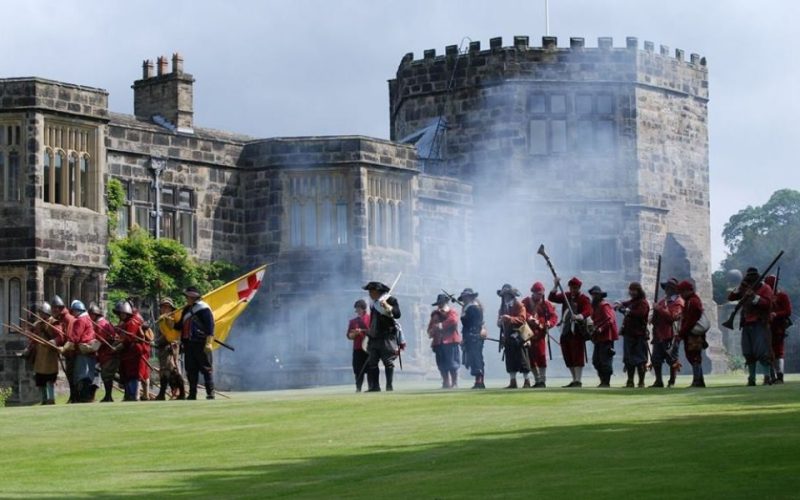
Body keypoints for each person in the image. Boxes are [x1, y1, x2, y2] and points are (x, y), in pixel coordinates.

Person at [728, 268, 774, 386]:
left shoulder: (766, 288)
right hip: (746, 323)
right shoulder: (745, 288)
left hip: (760, 323)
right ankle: (751, 378)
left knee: (762, 352)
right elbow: (731, 297)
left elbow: (767, 303)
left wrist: (754, 296)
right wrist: (740, 287)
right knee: (748, 353)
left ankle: (767, 377)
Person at [549, 277, 593, 388]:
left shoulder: (583, 299)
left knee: (577, 355)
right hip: (566, 329)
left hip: (577, 331)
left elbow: (588, 311)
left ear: (579, 288)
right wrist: (555, 285)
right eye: (572, 287)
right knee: (568, 355)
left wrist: (579, 316)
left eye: (575, 288)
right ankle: (574, 379)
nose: (573, 290)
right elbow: (552, 297)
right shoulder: (566, 296)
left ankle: (578, 380)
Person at [174, 286, 216, 400]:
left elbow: (210, 327)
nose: (187, 298)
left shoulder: (204, 308)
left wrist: (208, 343)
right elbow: (179, 326)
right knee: (191, 370)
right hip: (188, 344)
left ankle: (210, 392)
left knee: (206, 368)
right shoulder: (186, 310)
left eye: (189, 296)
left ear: (194, 297)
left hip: (201, 342)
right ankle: (192, 394)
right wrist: (169, 320)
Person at [363, 281, 402, 392]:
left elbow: (397, 314)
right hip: (374, 336)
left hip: (386, 336)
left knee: (388, 361)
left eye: (371, 291)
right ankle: (375, 386)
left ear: (377, 291)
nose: (370, 293)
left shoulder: (390, 300)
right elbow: (373, 320)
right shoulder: (374, 303)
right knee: (372, 362)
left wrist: (387, 306)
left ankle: (389, 386)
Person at [20, 302, 59, 405]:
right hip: (40, 355)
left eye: (42, 312)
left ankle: (51, 398)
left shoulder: (54, 322)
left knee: (50, 378)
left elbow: (57, 336)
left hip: (50, 354)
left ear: (46, 313)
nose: (40, 314)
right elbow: (33, 338)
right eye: (40, 313)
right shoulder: (37, 324)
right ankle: (44, 399)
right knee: (40, 379)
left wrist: (46, 328)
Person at [521, 282, 557, 388]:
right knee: (531, 358)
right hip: (528, 333)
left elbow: (553, 317)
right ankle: (537, 379)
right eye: (538, 293)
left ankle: (542, 380)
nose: (539, 295)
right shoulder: (526, 301)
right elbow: (522, 312)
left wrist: (548, 324)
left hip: (540, 333)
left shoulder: (546, 304)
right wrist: (529, 318)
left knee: (541, 357)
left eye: (541, 294)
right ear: (533, 292)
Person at [650, 278, 684, 388]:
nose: (667, 290)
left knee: (672, 359)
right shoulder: (662, 301)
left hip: (671, 334)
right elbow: (656, 318)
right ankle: (658, 381)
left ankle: (672, 381)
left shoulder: (678, 302)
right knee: (656, 359)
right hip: (659, 334)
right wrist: (653, 317)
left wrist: (659, 309)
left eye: (670, 288)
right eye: (667, 288)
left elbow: (672, 317)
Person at [616, 282, 650, 388]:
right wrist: (620, 305)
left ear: (638, 291)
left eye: (634, 290)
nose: (632, 292)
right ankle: (630, 381)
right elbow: (626, 304)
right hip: (629, 334)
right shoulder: (633, 302)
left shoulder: (643, 303)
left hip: (639, 335)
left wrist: (627, 311)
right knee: (628, 360)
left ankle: (641, 382)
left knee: (640, 360)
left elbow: (639, 314)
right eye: (631, 290)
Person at [64, 300, 100, 403]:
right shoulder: (87, 318)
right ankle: (86, 397)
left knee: (82, 375)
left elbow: (75, 337)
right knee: (87, 375)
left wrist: (65, 347)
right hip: (89, 351)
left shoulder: (80, 320)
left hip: (83, 351)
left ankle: (84, 398)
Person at [497, 284, 530, 389]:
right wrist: (499, 322)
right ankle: (513, 382)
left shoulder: (519, 305)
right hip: (508, 336)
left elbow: (522, 320)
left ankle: (527, 381)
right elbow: (499, 322)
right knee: (510, 360)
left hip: (519, 335)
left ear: (511, 295)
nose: (505, 296)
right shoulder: (502, 307)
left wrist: (509, 318)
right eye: (504, 295)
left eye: (507, 294)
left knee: (523, 360)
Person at [428, 294, 462, 389]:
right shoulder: (435, 314)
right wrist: (431, 331)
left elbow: (454, 321)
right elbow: (431, 327)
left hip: (450, 341)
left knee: (452, 364)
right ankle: (446, 382)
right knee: (441, 364)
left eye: (441, 303)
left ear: (446, 302)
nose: (440, 305)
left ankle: (454, 383)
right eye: (439, 303)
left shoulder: (452, 312)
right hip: (438, 342)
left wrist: (440, 325)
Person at [155, 298, 186, 400]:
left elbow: (171, 333)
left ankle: (164, 393)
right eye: (163, 307)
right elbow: (163, 334)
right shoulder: (162, 318)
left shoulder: (172, 317)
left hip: (171, 346)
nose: (164, 309)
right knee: (166, 370)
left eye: (166, 307)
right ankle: (173, 393)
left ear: (170, 308)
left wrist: (158, 341)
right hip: (163, 347)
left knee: (169, 370)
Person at [677, 280, 706, 387]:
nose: (681, 294)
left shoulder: (692, 302)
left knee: (694, 357)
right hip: (692, 333)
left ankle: (697, 381)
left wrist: (681, 334)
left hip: (693, 334)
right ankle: (699, 380)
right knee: (694, 357)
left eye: (682, 292)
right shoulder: (692, 301)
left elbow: (690, 321)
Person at [115, 300, 146, 401]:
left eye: (122, 313)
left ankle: (133, 395)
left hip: (134, 352)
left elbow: (129, 338)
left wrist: (118, 347)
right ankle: (128, 395)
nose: (120, 315)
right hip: (127, 352)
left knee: (133, 375)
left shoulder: (132, 322)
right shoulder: (125, 323)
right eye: (120, 313)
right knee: (126, 375)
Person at [89, 303, 120, 403]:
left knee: (107, 375)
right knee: (106, 375)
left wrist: (91, 348)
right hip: (105, 354)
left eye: (91, 314)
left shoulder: (101, 324)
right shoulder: (101, 323)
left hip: (107, 353)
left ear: (95, 314)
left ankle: (108, 396)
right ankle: (108, 396)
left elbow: (100, 341)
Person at [588, 286, 618, 387]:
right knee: (596, 361)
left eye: (596, 294)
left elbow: (610, 320)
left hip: (606, 337)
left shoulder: (604, 305)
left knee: (605, 361)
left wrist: (601, 328)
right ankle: (602, 381)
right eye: (593, 295)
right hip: (598, 338)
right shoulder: (595, 307)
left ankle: (606, 382)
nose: (594, 296)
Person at [765, 275, 792, 384]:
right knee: (766, 352)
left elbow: (788, 311)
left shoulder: (782, 296)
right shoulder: (766, 296)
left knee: (778, 351)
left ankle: (779, 375)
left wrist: (775, 314)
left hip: (778, 327)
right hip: (766, 327)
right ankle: (770, 376)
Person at [51, 295, 78, 403]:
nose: (53, 310)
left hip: (71, 351)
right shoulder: (61, 318)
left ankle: (75, 397)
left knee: (72, 375)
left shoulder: (68, 318)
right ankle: (73, 396)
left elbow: (69, 336)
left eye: (55, 308)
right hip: (68, 352)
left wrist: (61, 344)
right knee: (70, 375)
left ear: (59, 308)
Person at [458, 288, 486, 389]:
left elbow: (471, 324)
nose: (464, 299)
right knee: (474, 358)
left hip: (474, 336)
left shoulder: (472, 308)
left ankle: (479, 381)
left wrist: (464, 315)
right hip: (471, 336)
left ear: (470, 297)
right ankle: (478, 381)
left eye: (465, 297)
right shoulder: (470, 308)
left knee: (476, 358)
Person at [346, 299, 371, 392]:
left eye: (358, 308)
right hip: (357, 348)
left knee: (370, 369)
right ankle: (358, 388)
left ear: (363, 309)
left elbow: (373, 331)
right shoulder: (353, 322)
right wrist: (354, 334)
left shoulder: (370, 319)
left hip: (368, 348)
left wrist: (362, 331)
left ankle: (371, 387)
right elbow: (349, 336)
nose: (357, 311)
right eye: (356, 309)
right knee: (357, 370)